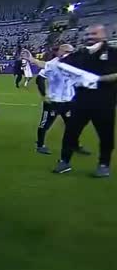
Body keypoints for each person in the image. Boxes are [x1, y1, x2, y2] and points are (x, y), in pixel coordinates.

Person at [29, 25, 116, 177]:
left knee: (105, 135)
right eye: (88, 34)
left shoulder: (113, 53)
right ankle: (64, 161)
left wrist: (102, 79)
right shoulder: (80, 54)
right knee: (70, 133)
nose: (89, 36)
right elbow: (55, 65)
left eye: (94, 33)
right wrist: (32, 60)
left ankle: (104, 164)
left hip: (105, 102)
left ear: (103, 35)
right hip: (80, 101)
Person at [33, 45, 91, 155]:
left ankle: (75, 145)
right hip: (53, 101)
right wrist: (44, 95)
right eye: (67, 51)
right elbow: (40, 78)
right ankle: (40, 145)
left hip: (68, 102)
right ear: (60, 52)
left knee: (73, 126)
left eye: (71, 52)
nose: (69, 54)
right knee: (45, 124)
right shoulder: (52, 64)